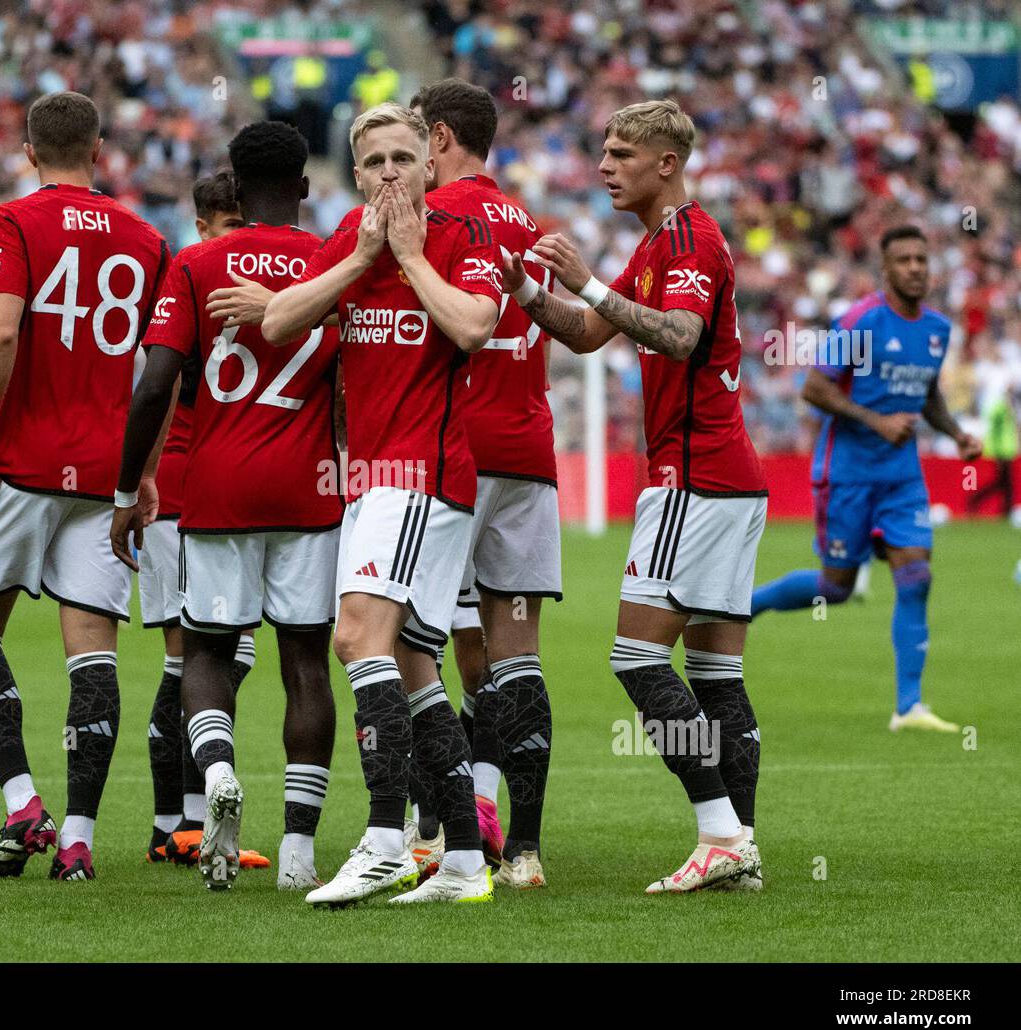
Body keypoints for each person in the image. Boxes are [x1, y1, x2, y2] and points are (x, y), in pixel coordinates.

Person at [500, 99, 766, 893]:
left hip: (696, 478)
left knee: (636, 656)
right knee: (717, 677)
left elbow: (680, 335)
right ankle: (738, 849)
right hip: (725, 479)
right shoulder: (658, 243)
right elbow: (587, 332)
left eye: (621, 153)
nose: (606, 166)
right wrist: (529, 293)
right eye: (604, 152)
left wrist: (584, 277)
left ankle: (720, 833)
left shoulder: (689, 237)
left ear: (667, 163)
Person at [264, 102, 502, 906]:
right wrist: (362, 256)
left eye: (406, 157)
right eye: (376, 163)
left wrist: (407, 255)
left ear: (431, 165)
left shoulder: (462, 237)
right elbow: (277, 317)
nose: (392, 173)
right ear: (357, 173)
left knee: (356, 635)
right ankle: (466, 862)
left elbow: (473, 325)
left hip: (421, 475)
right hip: (374, 480)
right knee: (412, 667)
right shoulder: (351, 235)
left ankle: (383, 838)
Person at [113, 121, 341, 892]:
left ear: (234, 193)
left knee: (206, 652)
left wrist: (124, 490)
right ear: (305, 188)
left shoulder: (199, 262)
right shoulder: (337, 266)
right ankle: (300, 855)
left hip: (218, 486)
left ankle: (214, 778)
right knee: (306, 660)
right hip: (313, 490)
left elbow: (154, 386)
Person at [0, 91, 168, 882]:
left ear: (28, 149)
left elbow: (3, 330)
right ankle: (77, 839)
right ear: (101, 148)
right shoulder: (147, 239)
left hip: (20, 464)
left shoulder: (10, 221)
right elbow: (164, 366)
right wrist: (143, 471)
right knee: (94, 655)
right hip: (104, 473)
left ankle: (23, 805)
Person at [410, 78, 560, 889]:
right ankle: (523, 848)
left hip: (451, 450)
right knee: (516, 656)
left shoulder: (434, 218)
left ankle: (430, 831)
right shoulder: (527, 224)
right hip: (528, 452)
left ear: (439, 138)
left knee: (409, 643)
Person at [752, 225, 982, 732]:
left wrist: (957, 432)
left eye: (922, 259)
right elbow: (814, 388)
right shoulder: (860, 322)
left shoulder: (938, 329)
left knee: (916, 578)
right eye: (904, 260)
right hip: (847, 474)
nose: (916, 268)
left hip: (902, 477)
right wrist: (876, 420)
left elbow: (926, 397)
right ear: (886, 269)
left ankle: (909, 707)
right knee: (835, 587)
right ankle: (747, 605)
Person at [138, 172, 268, 873]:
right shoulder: (187, 286)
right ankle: (178, 823)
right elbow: (155, 391)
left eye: (242, 226)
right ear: (201, 228)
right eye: (223, 227)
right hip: (179, 493)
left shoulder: (248, 292)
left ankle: (182, 822)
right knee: (191, 656)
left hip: (225, 492)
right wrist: (142, 483)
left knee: (220, 654)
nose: (235, 242)